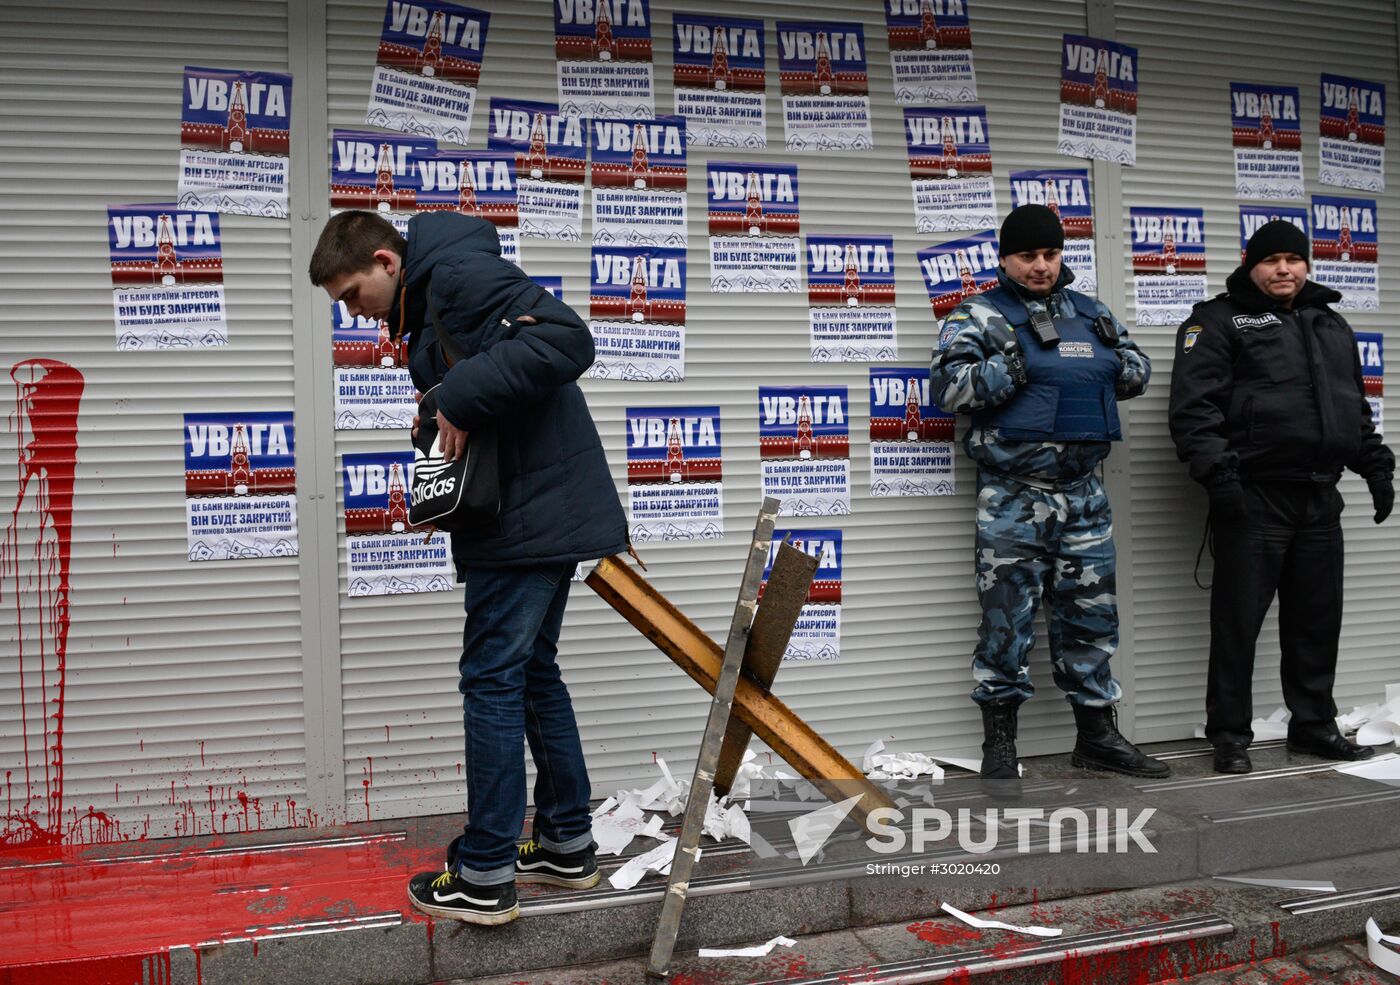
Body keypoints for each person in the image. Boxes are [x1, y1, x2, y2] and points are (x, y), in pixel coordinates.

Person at [310, 210, 628, 924]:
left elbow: (568, 340)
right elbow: (499, 386)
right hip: (532, 512)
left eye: (352, 293)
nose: (353, 312)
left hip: (526, 519)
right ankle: (566, 843)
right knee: (532, 672)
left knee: (491, 678)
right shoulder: (434, 296)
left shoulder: (454, 277)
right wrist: (437, 423)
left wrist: (453, 395)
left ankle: (484, 871)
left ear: (387, 262)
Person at [931, 204, 1169, 780]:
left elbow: (1135, 371)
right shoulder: (980, 315)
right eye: (1028, 256)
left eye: (1051, 254)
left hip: (1084, 494)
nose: (1041, 266)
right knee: (1006, 621)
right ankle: (1000, 743)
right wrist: (1014, 367)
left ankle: (1097, 738)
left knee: (1091, 619)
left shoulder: (1090, 313)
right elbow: (948, 389)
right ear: (1005, 259)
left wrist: (1111, 362)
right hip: (1014, 495)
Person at [1168, 219, 1393, 775]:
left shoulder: (1330, 323)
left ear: (1307, 266)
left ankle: (1314, 726)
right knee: (1237, 625)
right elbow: (1194, 411)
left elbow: (1352, 409)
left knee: (1316, 622)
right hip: (1254, 498)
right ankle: (1229, 735)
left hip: (1320, 497)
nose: (1284, 269)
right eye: (1272, 260)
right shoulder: (1216, 321)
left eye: (1294, 259)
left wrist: (1376, 466)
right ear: (1252, 265)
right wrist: (1220, 480)